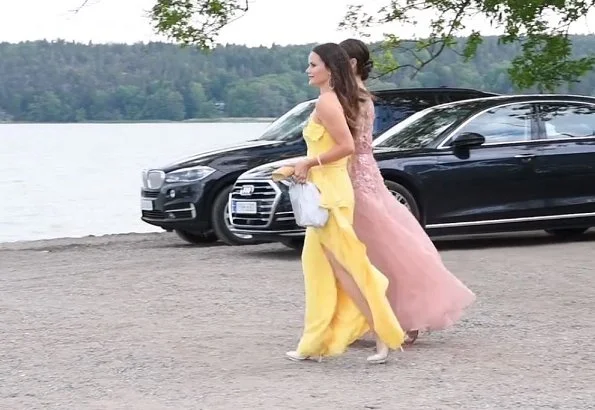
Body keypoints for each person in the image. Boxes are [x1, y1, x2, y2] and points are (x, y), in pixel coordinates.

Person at [338, 38, 476, 343]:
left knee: (380, 248)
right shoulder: (353, 96)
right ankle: (370, 317)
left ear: (350, 65)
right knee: (365, 249)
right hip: (361, 172)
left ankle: (405, 317)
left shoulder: (356, 98)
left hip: (356, 174)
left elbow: (347, 144)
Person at [280, 42, 405, 364]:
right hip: (328, 187)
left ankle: (384, 337)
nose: (308, 70)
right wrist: (297, 163)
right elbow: (327, 147)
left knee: (349, 269)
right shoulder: (333, 100)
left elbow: (347, 146)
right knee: (318, 269)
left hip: (331, 193)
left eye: (313, 65)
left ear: (330, 70)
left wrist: (308, 163)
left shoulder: (327, 102)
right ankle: (317, 343)